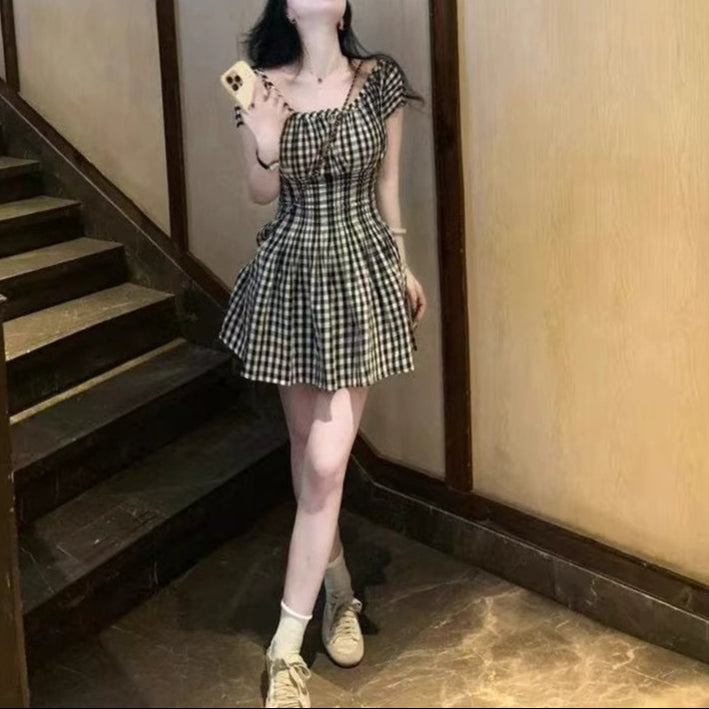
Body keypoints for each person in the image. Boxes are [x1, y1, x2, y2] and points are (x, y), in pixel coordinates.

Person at [218, 1, 427, 706]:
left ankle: (285, 648)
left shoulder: (379, 79)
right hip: (291, 272)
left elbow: (387, 185)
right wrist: (265, 137)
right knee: (306, 445)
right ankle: (336, 588)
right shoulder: (261, 85)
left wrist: (403, 263)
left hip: (358, 269)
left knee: (328, 461)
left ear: (341, 8)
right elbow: (259, 192)